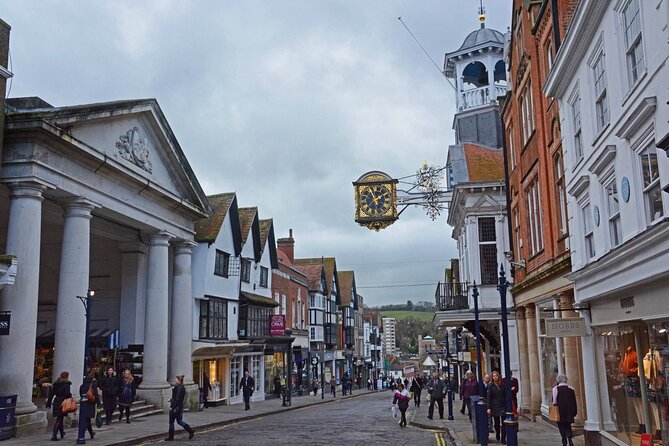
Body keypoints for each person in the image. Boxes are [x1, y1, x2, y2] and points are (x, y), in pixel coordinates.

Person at [164, 374, 195, 441]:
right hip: (180, 407)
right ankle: (190, 431)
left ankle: (171, 437)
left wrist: (172, 407)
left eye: (176, 379)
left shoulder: (178, 388)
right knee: (179, 421)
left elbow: (177, 399)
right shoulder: (182, 387)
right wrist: (171, 400)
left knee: (171, 422)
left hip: (176, 407)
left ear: (179, 380)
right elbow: (178, 398)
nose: (175, 380)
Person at [46, 371, 72, 441]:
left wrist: (48, 403)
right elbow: (67, 394)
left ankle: (62, 432)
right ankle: (54, 435)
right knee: (59, 418)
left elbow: (51, 394)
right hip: (63, 402)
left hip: (56, 401)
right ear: (66, 377)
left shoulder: (56, 384)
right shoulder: (66, 384)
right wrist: (70, 396)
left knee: (60, 417)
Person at [552, 375, 577, 446]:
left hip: (560, 410)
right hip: (569, 411)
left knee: (561, 425)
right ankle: (569, 438)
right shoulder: (571, 389)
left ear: (558, 381)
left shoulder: (555, 389)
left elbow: (554, 402)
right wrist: (574, 412)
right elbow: (574, 401)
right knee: (568, 425)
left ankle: (564, 441)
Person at [487, 371, 507, 444]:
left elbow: (506, 396)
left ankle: (503, 439)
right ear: (492, 377)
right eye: (494, 376)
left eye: (496, 376)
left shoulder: (503, 385)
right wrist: (488, 408)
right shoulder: (490, 386)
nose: (495, 377)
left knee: (504, 423)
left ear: (499, 377)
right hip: (494, 406)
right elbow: (488, 397)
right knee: (497, 423)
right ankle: (498, 432)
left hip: (503, 406)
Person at [78, 373, 98, 441]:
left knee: (87, 420)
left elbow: (81, 394)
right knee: (87, 420)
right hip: (90, 404)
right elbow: (96, 394)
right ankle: (82, 434)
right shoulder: (92, 385)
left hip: (84, 404)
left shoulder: (82, 386)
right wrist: (98, 403)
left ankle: (91, 433)